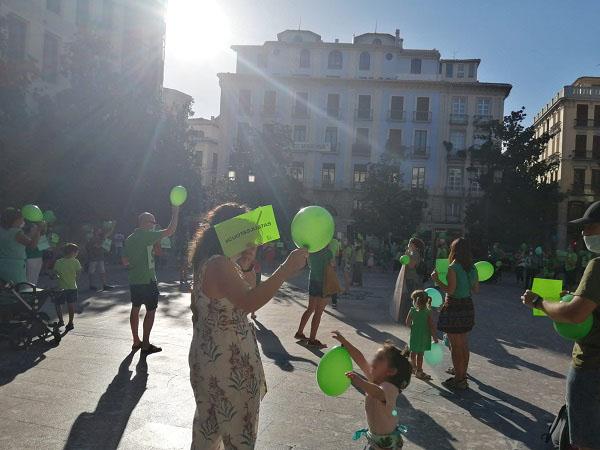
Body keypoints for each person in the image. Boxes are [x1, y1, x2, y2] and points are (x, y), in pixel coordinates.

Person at [187, 203, 307, 449]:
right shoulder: (219, 263)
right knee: (238, 432)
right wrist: (284, 270)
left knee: (208, 430)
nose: (251, 239)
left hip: (209, 357)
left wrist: (248, 264)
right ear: (230, 232)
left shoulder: (211, 262)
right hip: (230, 362)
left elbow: (245, 296)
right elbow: (249, 302)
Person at [522, 201, 600, 450]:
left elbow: (575, 314)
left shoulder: (598, 265)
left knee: (586, 441)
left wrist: (539, 303)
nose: (584, 233)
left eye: (590, 227)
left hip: (592, 367)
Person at [331, 331, 411, 450]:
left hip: (388, 444)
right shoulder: (374, 379)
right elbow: (360, 359)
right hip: (374, 439)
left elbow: (379, 393)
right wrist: (345, 343)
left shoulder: (390, 388)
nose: (373, 359)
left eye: (379, 358)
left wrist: (361, 383)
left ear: (390, 371)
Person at [123, 205, 180, 355]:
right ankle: (146, 344)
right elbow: (170, 230)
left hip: (134, 279)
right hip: (148, 280)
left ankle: (136, 341)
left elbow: (124, 261)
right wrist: (175, 212)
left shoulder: (129, 239)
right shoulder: (147, 235)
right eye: (153, 223)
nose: (154, 225)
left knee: (135, 308)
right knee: (151, 310)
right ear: (145, 223)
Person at [432, 237, 479, 391]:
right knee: (464, 344)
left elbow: (450, 290)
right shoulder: (472, 268)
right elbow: (475, 290)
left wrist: (437, 279)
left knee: (455, 345)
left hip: (454, 306)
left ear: (454, 251)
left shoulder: (453, 268)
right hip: (467, 306)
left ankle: (458, 380)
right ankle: (463, 376)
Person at [295, 245, 334, 348]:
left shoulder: (311, 252)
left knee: (310, 309)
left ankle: (299, 333)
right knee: (318, 312)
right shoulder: (328, 253)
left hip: (312, 281)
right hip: (323, 282)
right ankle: (312, 340)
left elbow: (310, 265)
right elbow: (332, 265)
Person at [0, 208, 40, 285]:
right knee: (17, 289)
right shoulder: (16, 232)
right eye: (22, 219)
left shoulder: (2, 230)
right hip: (14, 267)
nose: (23, 221)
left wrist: (31, 233)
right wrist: (38, 232)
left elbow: (20, 240)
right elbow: (32, 246)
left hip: (2, 263)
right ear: (16, 220)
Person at [406, 290, 438, 380]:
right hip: (424, 337)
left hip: (414, 336)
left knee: (413, 353)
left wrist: (413, 327)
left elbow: (407, 322)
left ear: (415, 301)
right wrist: (435, 338)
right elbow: (431, 326)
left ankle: (413, 367)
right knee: (420, 355)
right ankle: (419, 371)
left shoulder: (412, 310)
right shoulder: (427, 312)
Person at [392, 237, 425, 323]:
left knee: (411, 298)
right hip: (409, 277)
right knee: (408, 298)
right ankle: (408, 317)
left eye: (410, 243)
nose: (408, 245)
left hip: (412, 278)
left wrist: (407, 255)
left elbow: (411, 266)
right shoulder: (411, 253)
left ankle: (411, 318)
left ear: (414, 245)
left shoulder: (414, 254)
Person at [53, 243, 82, 331]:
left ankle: (61, 320)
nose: (77, 254)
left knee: (58, 304)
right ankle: (70, 322)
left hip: (61, 288)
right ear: (72, 252)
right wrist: (75, 278)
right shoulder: (76, 261)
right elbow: (79, 273)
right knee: (71, 305)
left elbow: (55, 274)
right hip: (73, 287)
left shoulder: (58, 262)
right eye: (76, 252)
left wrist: (56, 276)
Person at [237, 248, 261, 320]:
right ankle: (251, 312)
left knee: (252, 291)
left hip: (248, 269)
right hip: (242, 269)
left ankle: (252, 312)